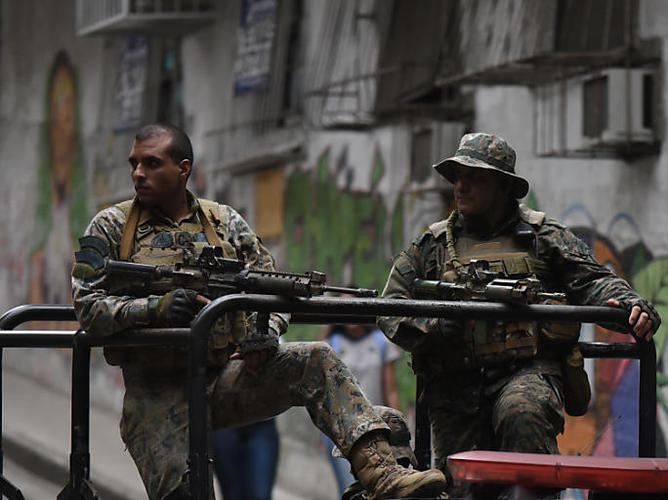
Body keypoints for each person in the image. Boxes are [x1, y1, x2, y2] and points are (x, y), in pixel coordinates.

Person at [71, 123, 446, 500]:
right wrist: (155, 308)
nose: (138, 173)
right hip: (155, 394)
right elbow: (87, 306)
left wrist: (261, 336)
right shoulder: (110, 227)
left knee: (316, 359)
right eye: (134, 163)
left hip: (224, 376)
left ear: (183, 168)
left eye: (151, 163)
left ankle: (381, 476)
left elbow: (269, 287)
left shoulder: (225, 223)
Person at [377, 132, 661, 496]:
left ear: (503, 187)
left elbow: (597, 282)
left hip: (527, 370)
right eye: (456, 177)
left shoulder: (544, 237)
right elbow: (390, 308)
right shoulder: (432, 247)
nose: (460, 186)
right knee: (461, 485)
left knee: (523, 412)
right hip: (455, 386)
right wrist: (438, 328)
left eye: (475, 177)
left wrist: (631, 307)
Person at [319, 310, 402, 494]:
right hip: (341, 433)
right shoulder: (330, 345)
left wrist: (398, 430)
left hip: (376, 428)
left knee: (380, 487)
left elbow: (391, 389)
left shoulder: (380, 341)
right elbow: (323, 395)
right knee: (351, 489)